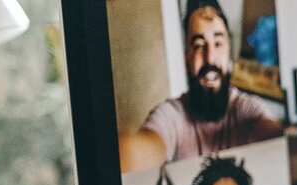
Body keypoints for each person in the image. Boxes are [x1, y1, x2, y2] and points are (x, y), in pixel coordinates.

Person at [120, 0, 283, 173]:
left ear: (229, 53)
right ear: (186, 57)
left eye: (218, 44)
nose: (210, 58)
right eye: (199, 46)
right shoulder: (171, 117)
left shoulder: (246, 109)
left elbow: (273, 137)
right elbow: (141, 151)